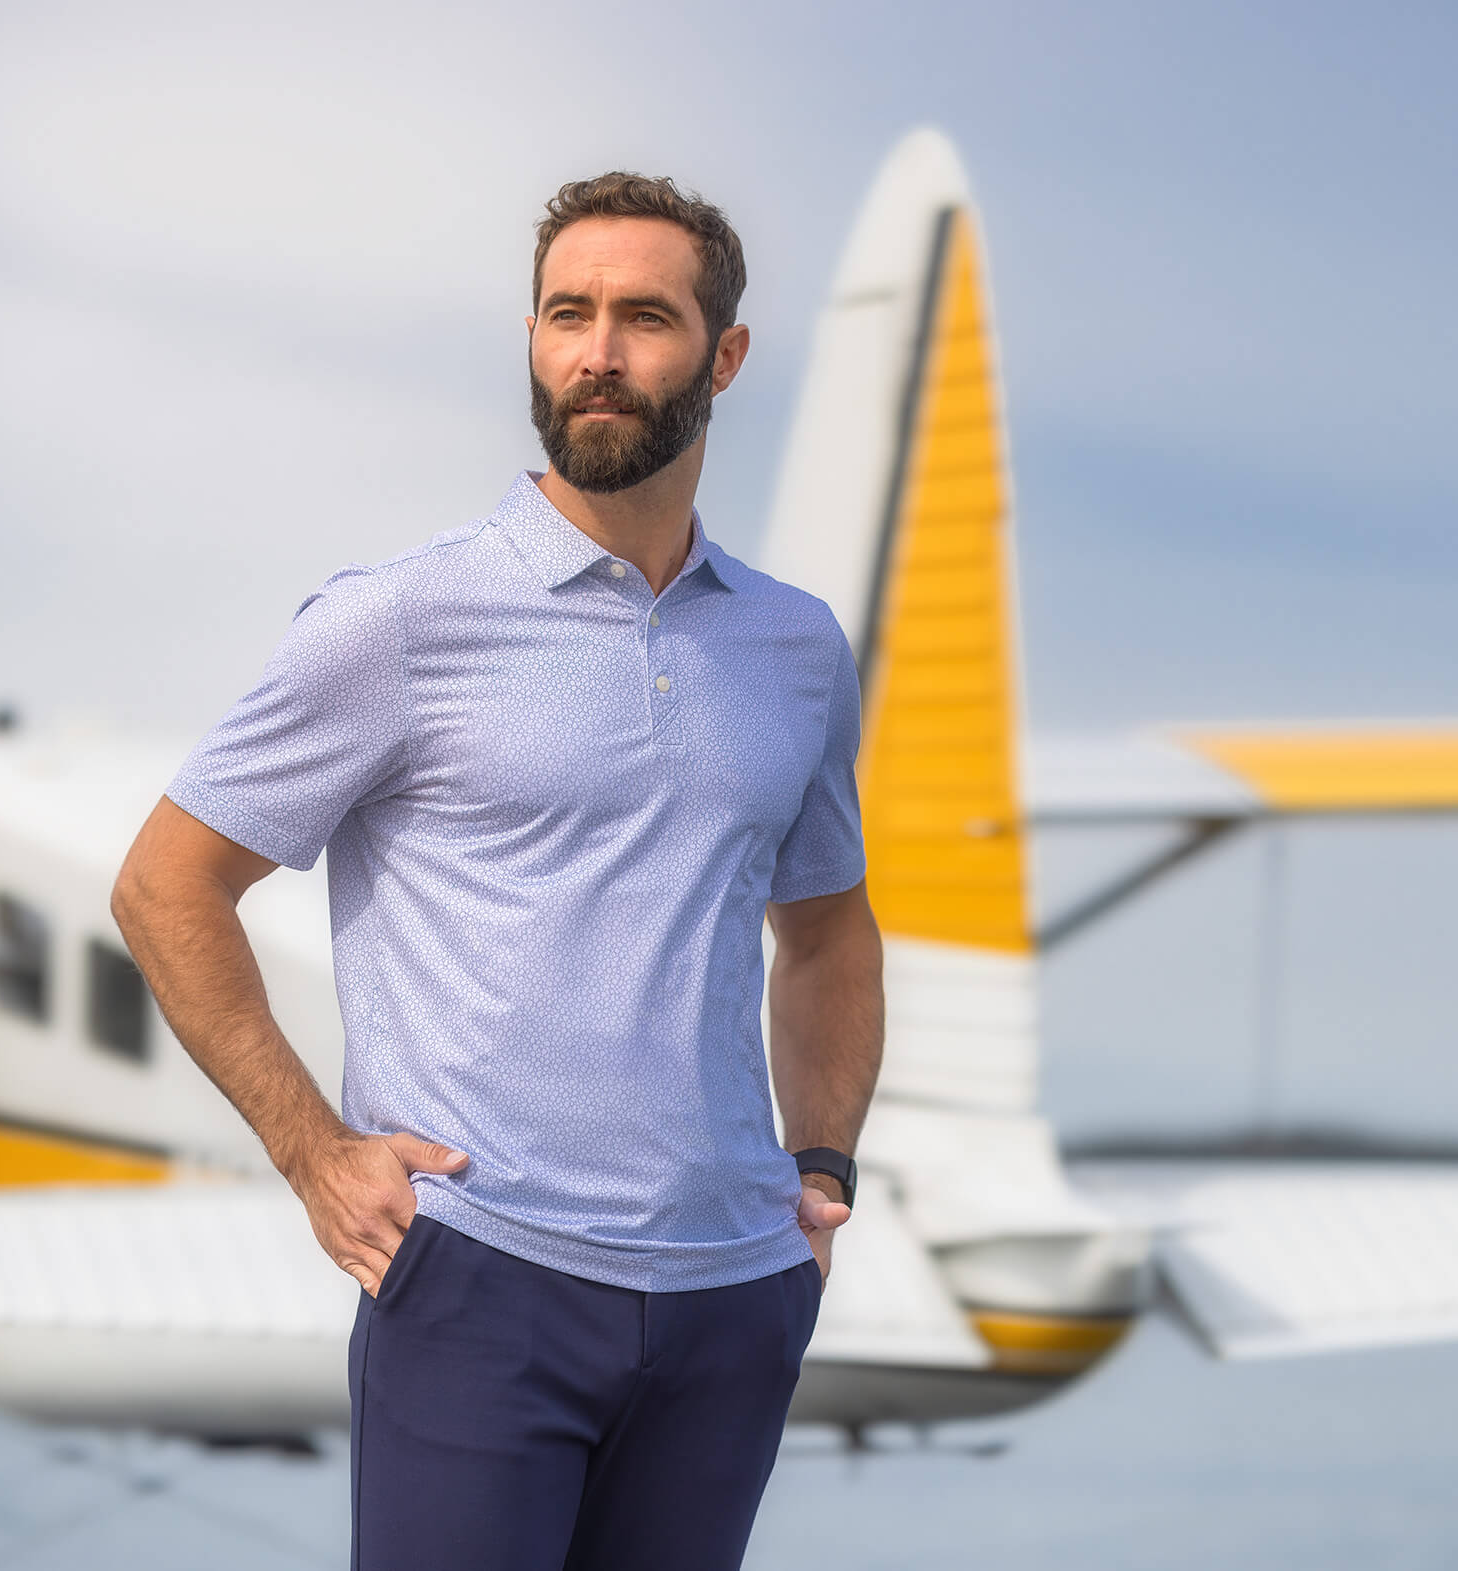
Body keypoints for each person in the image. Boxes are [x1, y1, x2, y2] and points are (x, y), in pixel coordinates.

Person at [111, 171, 884, 1571]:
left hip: (733, 1296)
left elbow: (828, 931)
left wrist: (820, 1168)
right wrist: (314, 1153)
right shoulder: (400, 620)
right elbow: (167, 887)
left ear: (725, 357)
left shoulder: (796, 648)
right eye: (566, 314)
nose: (598, 353)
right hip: (480, 1279)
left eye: (645, 318)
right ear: (532, 339)